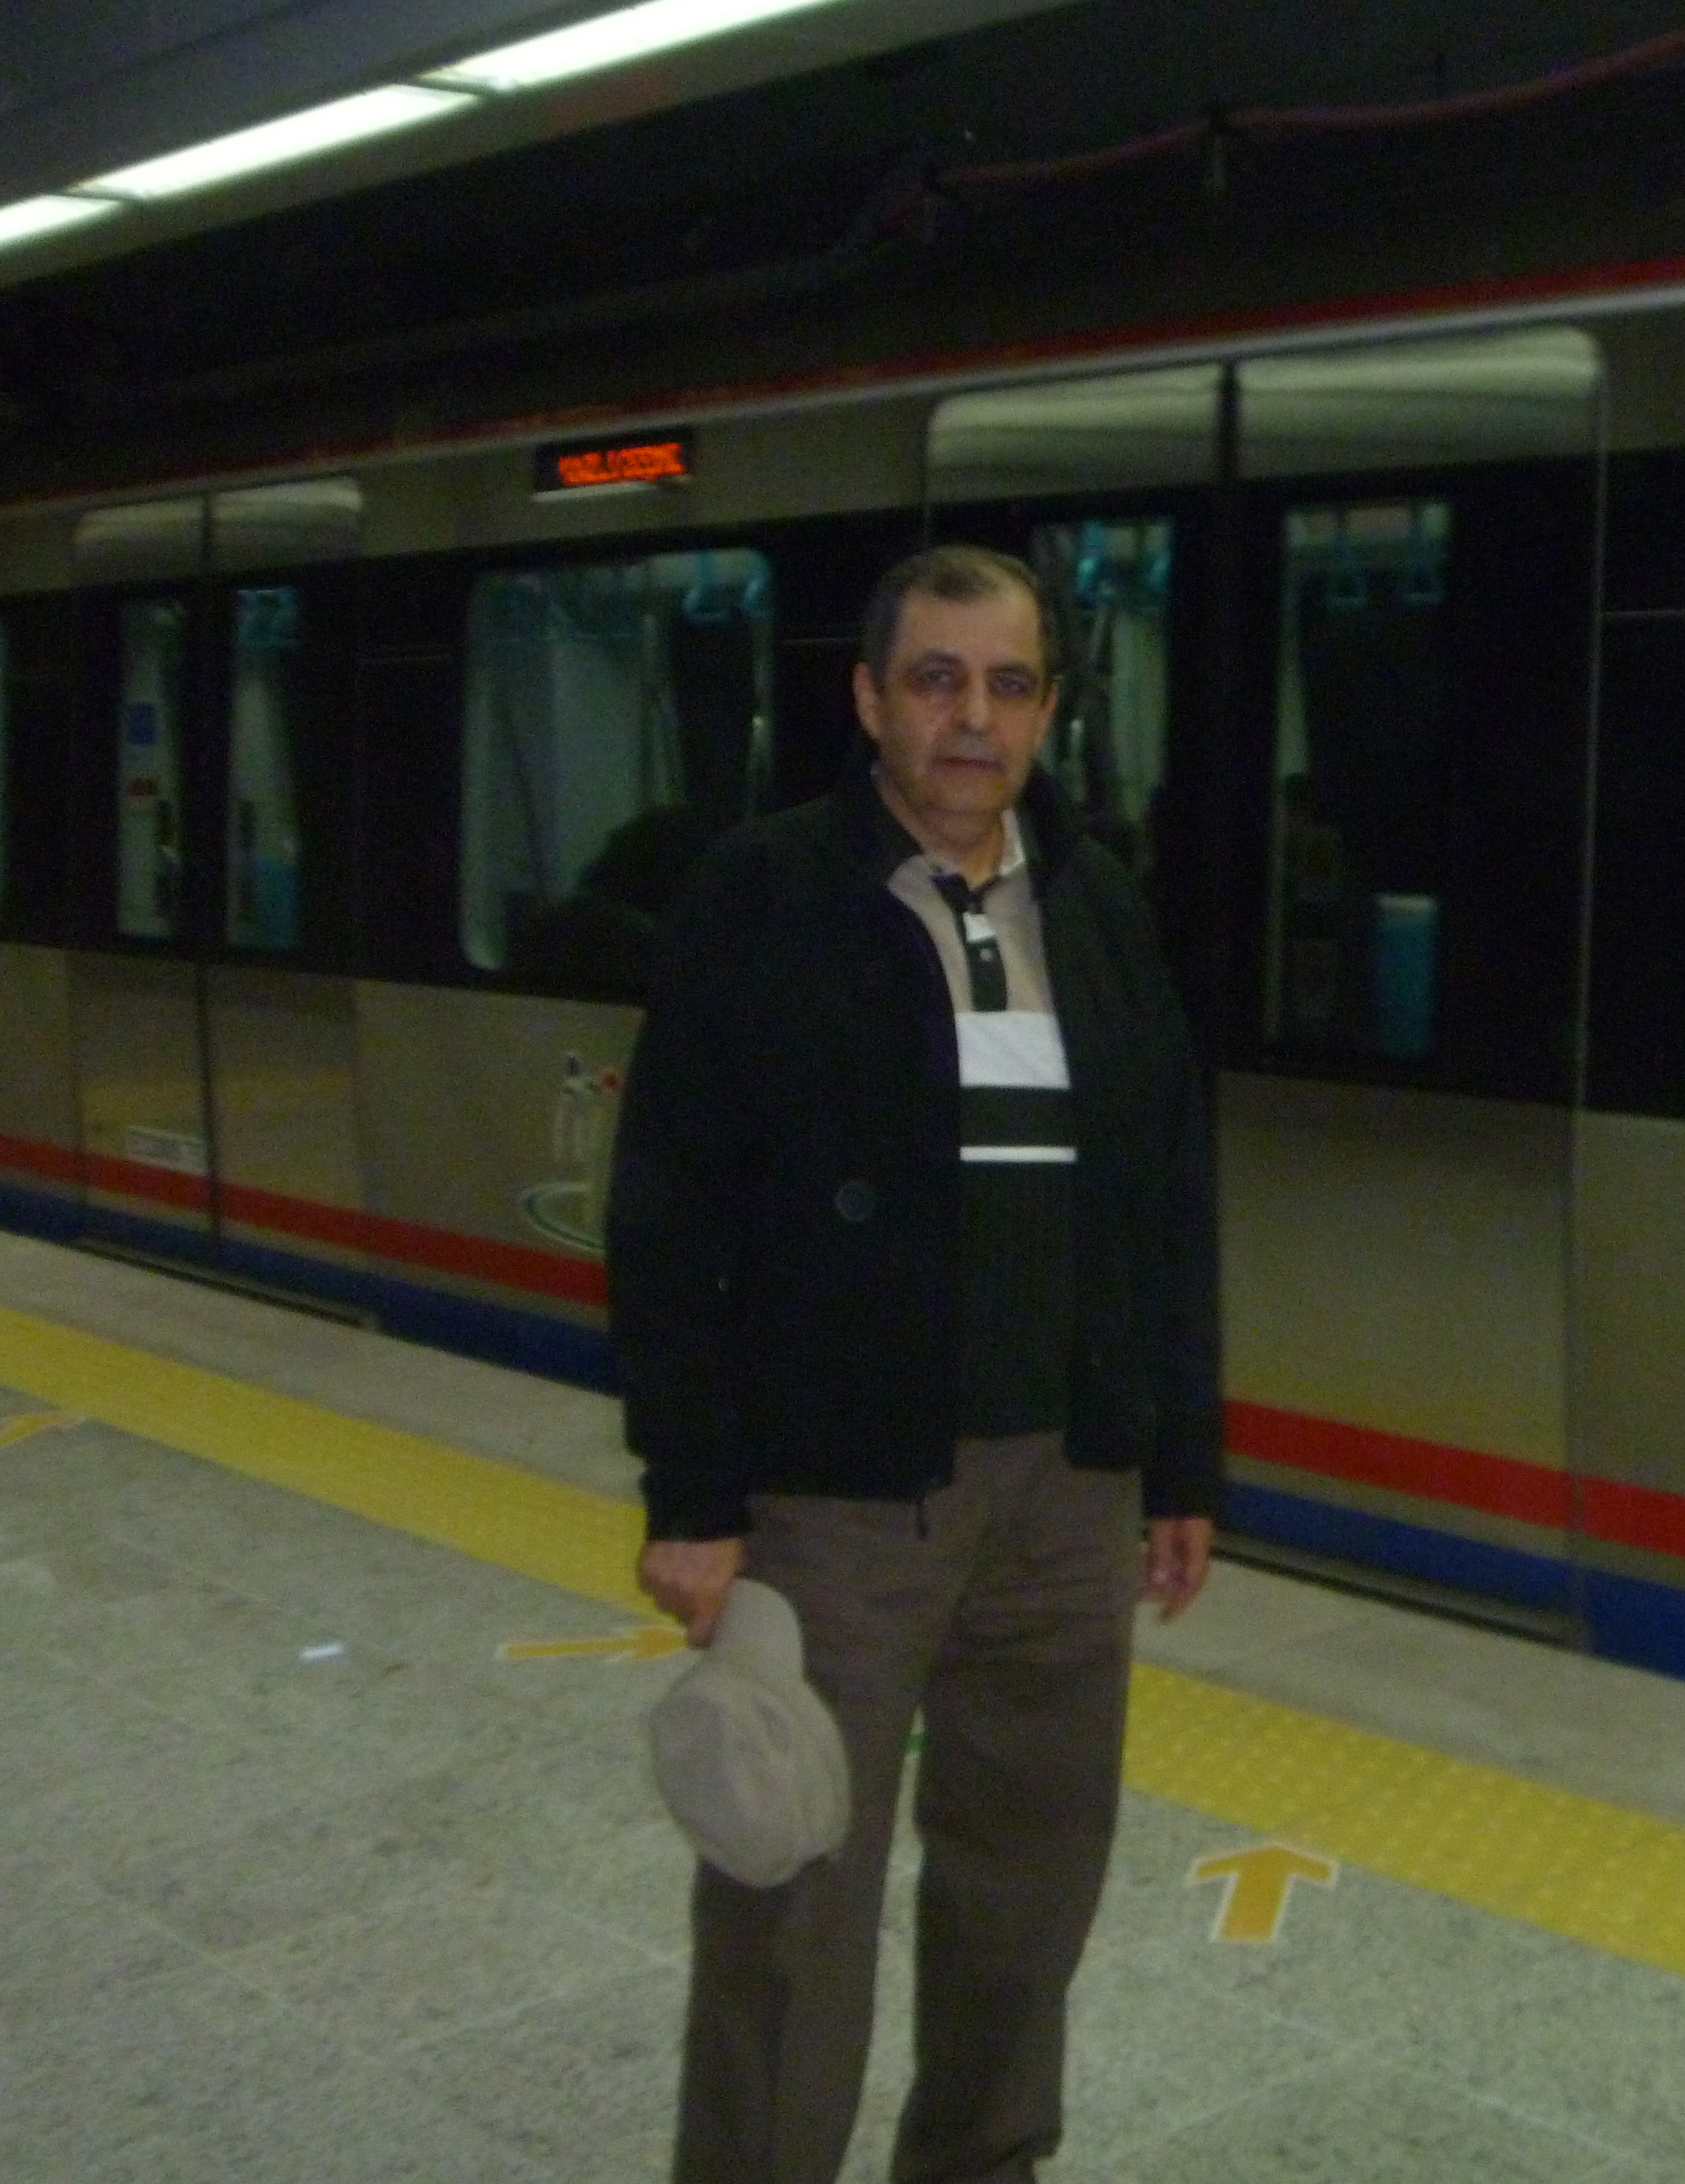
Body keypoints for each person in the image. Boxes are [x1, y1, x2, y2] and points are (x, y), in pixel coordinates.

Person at [607, 542, 1222, 2184]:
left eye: (1010, 685)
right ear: (870, 699)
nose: (974, 719)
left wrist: (1179, 1459)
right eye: (937, 679)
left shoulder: (1094, 902)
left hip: (1067, 1491)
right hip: (840, 1496)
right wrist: (694, 1495)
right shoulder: (765, 893)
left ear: (1051, 710)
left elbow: (1166, 1195)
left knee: (1033, 1888)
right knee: (792, 1896)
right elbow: (668, 1211)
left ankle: (984, 2163)